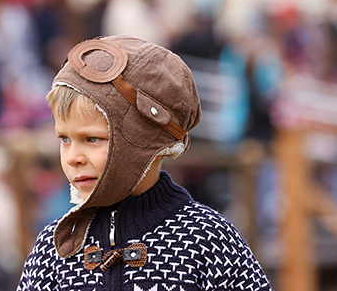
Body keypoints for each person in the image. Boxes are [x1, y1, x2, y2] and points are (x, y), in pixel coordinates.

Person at [17, 35, 273, 291]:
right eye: (64, 139)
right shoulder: (54, 252)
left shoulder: (208, 240)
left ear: (143, 139)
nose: (73, 157)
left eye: (92, 138)